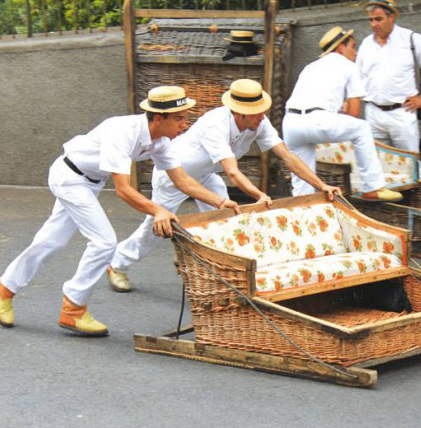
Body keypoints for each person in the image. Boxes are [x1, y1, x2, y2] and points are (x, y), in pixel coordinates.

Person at [0, 86, 240, 337]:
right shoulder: (123, 132)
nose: (184, 125)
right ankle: (73, 308)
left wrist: (219, 202)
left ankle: (4, 287)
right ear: (159, 118)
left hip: (89, 182)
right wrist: (158, 211)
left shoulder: (162, 142)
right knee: (104, 242)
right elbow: (123, 190)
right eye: (179, 118)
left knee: (51, 241)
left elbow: (183, 181)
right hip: (69, 177)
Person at [106, 78, 341, 292]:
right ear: (239, 114)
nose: (262, 117)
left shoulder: (259, 122)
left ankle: (206, 265)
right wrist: (260, 195)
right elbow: (233, 172)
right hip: (174, 175)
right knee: (156, 228)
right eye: (256, 113)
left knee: (224, 221)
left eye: (262, 111)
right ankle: (117, 264)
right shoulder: (215, 124)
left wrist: (322, 185)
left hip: (207, 174)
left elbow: (287, 156)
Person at [282, 26, 403, 202]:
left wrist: (337, 110)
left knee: (302, 189)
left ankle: (301, 210)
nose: (355, 52)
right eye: (353, 46)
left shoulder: (310, 66)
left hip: (291, 124)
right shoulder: (349, 66)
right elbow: (354, 113)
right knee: (362, 128)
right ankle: (372, 187)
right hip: (318, 121)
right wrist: (343, 110)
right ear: (341, 48)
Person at [357, 0, 421, 178]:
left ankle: (415, 206)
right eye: (371, 20)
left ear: (392, 17)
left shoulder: (412, 39)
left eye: (379, 19)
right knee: (376, 164)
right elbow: (357, 76)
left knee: (409, 163)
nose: (374, 24)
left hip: (401, 112)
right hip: (373, 112)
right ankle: (385, 205)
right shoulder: (366, 44)